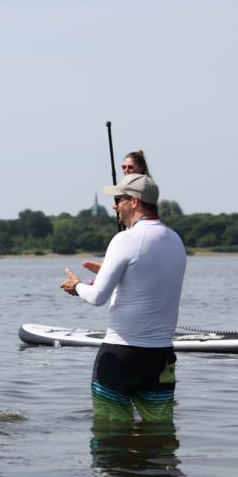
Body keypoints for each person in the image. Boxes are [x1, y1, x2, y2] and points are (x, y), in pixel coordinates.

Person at [60, 173, 186, 423]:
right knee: (160, 434)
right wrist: (109, 274)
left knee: (110, 436)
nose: (114, 205)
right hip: (160, 357)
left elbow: (97, 297)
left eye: (119, 199)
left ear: (135, 201)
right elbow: (146, 285)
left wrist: (77, 286)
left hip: (121, 356)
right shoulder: (176, 240)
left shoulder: (124, 239)